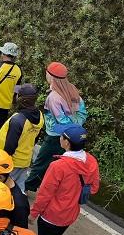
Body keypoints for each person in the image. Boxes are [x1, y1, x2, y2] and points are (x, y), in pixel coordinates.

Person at [30, 123, 100, 235]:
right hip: (70, 214)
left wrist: (33, 213)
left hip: (51, 215)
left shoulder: (58, 166)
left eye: (62, 137)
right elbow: (93, 188)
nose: (60, 138)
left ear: (67, 143)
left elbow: (45, 194)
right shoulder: (91, 161)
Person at [25, 62, 88, 192]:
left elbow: (61, 120)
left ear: (51, 76)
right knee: (57, 163)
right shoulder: (72, 89)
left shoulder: (53, 97)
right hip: (71, 136)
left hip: (56, 136)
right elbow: (82, 113)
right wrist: (75, 127)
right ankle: (49, 186)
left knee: (41, 162)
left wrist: (62, 132)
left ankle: (28, 186)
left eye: (46, 73)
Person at [0, 84, 44, 192]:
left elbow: (10, 146)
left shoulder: (18, 120)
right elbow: (35, 138)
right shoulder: (39, 115)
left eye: (17, 95)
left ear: (21, 100)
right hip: (24, 160)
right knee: (19, 188)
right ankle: (20, 208)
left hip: (12, 161)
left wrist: (3, 162)